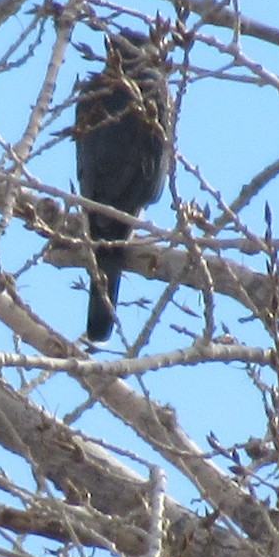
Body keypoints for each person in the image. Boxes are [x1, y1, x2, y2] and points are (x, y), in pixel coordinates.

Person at [74, 29, 171, 342]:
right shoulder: (155, 90)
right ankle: (100, 321)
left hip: (100, 196)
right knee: (109, 257)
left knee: (104, 256)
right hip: (128, 198)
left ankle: (98, 323)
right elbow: (154, 174)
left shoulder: (93, 91)